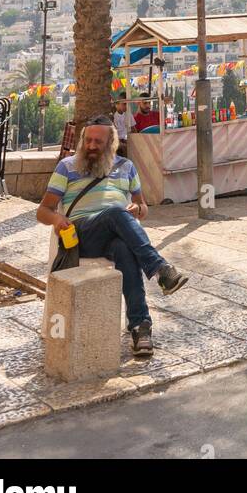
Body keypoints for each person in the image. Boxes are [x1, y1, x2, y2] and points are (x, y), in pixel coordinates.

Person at [36, 115, 188, 358]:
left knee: (125, 249)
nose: (92, 146)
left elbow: (142, 207)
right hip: (82, 235)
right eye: (88, 140)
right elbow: (43, 211)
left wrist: (138, 210)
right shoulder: (67, 166)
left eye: (98, 141)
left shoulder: (126, 167)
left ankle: (140, 327)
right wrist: (56, 219)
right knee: (116, 213)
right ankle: (160, 269)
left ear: (111, 143)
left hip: (114, 235)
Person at [113, 91, 129, 157]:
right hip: (116, 140)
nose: (126, 106)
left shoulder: (128, 114)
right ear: (118, 104)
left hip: (125, 139)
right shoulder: (113, 115)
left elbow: (134, 129)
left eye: (128, 104)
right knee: (125, 147)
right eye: (124, 104)